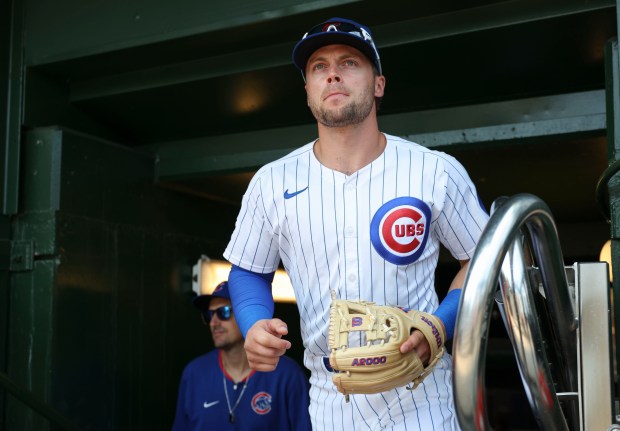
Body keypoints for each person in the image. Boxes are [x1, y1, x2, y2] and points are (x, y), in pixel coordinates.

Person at [223, 17, 489, 430]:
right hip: (331, 400)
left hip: (421, 396)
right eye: (318, 67)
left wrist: (443, 321)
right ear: (308, 90)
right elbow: (248, 270)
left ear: (378, 84)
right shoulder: (271, 182)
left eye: (349, 62)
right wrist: (255, 321)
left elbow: (482, 259)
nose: (332, 73)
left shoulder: (434, 171)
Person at [172, 281, 312, 430]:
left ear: (245, 314)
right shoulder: (194, 373)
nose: (213, 322)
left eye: (223, 312)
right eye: (208, 315)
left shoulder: (287, 374)